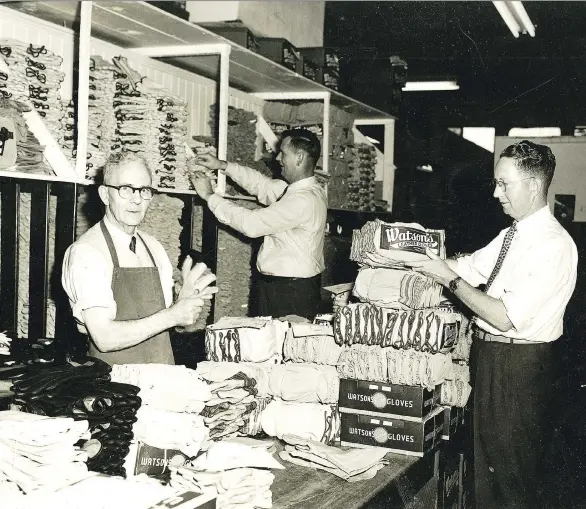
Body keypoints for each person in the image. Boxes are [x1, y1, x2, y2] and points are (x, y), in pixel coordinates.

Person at [406, 140, 578, 509]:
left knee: (510, 474)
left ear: (533, 186)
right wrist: (418, 258)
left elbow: (502, 315)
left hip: (519, 368)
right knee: (486, 468)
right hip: (493, 358)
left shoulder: (552, 245)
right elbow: (470, 267)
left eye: (505, 184)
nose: (496, 193)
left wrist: (446, 280)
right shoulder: (513, 234)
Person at [62, 152, 217, 365]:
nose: (136, 199)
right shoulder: (87, 252)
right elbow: (104, 338)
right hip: (114, 389)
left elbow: (161, 323)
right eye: (125, 189)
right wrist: (173, 315)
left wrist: (182, 303)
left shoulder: (154, 247)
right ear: (105, 195)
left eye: (144, 191)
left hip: (162, 379)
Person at [191, 129, 327, 320]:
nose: (278, 158)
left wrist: (209, 196)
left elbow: (251, 224)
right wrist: (222, 165)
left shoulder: (303, 200)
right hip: (286, 288)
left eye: (284, 153)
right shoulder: (302, 191)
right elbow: (261, 185)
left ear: (299, 158)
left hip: (289, 292)